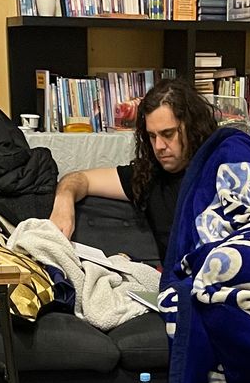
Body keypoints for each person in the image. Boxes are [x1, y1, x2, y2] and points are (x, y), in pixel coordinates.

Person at [48, 78, 218, 261]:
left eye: (168, 134)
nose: (159, 146)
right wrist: (64, 199)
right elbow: (81, 179)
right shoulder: (149, 175)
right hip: (173, 276)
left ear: (192, 127)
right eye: (152, 136)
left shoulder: (220, 171)